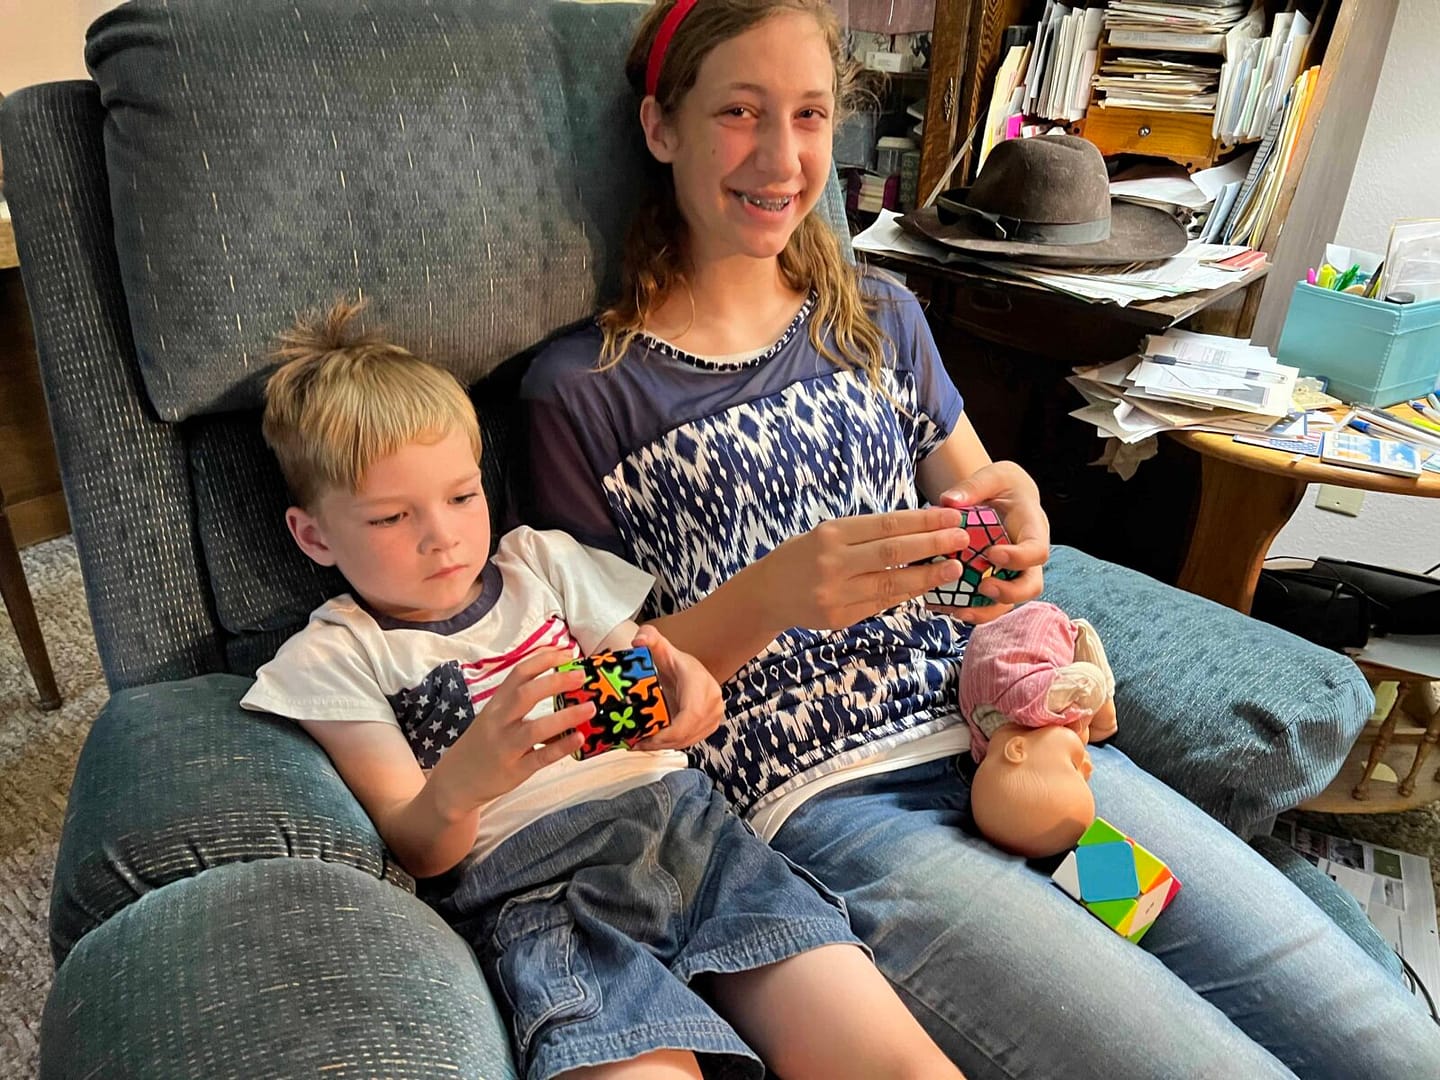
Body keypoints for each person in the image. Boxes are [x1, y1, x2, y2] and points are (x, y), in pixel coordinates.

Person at [520, 2, 1440, 1076]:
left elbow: (992, 521)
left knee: (1379, 1041)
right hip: (848, 818)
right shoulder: (579, 394)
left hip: (1021, 753)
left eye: (809, 114)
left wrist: (1019, 517)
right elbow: (606, 714)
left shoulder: (877, 318)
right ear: (661, 127)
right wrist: (770, 597)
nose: (782, 157)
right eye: (739, 111)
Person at [241, 300, 962, 1080]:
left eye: (461, 496)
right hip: (547, 896)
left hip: (695, 839)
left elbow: (649, 672)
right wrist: (467, 779)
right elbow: (418, 846)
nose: (442, 536)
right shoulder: (336, 654)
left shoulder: (540, 564)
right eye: (390, 517)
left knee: (899, 1065)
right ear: (314, 536)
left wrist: (681, 690)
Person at [958, 601, 1117, 858]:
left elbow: (1089, 680)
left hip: (1043, 625)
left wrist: (1088, 720)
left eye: (1074, 767)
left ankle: (1106, 719)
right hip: (989, 639)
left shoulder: (1035, 703)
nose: (1089, 766)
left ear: (1018, 749)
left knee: (1095, 694)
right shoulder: (982, 742)